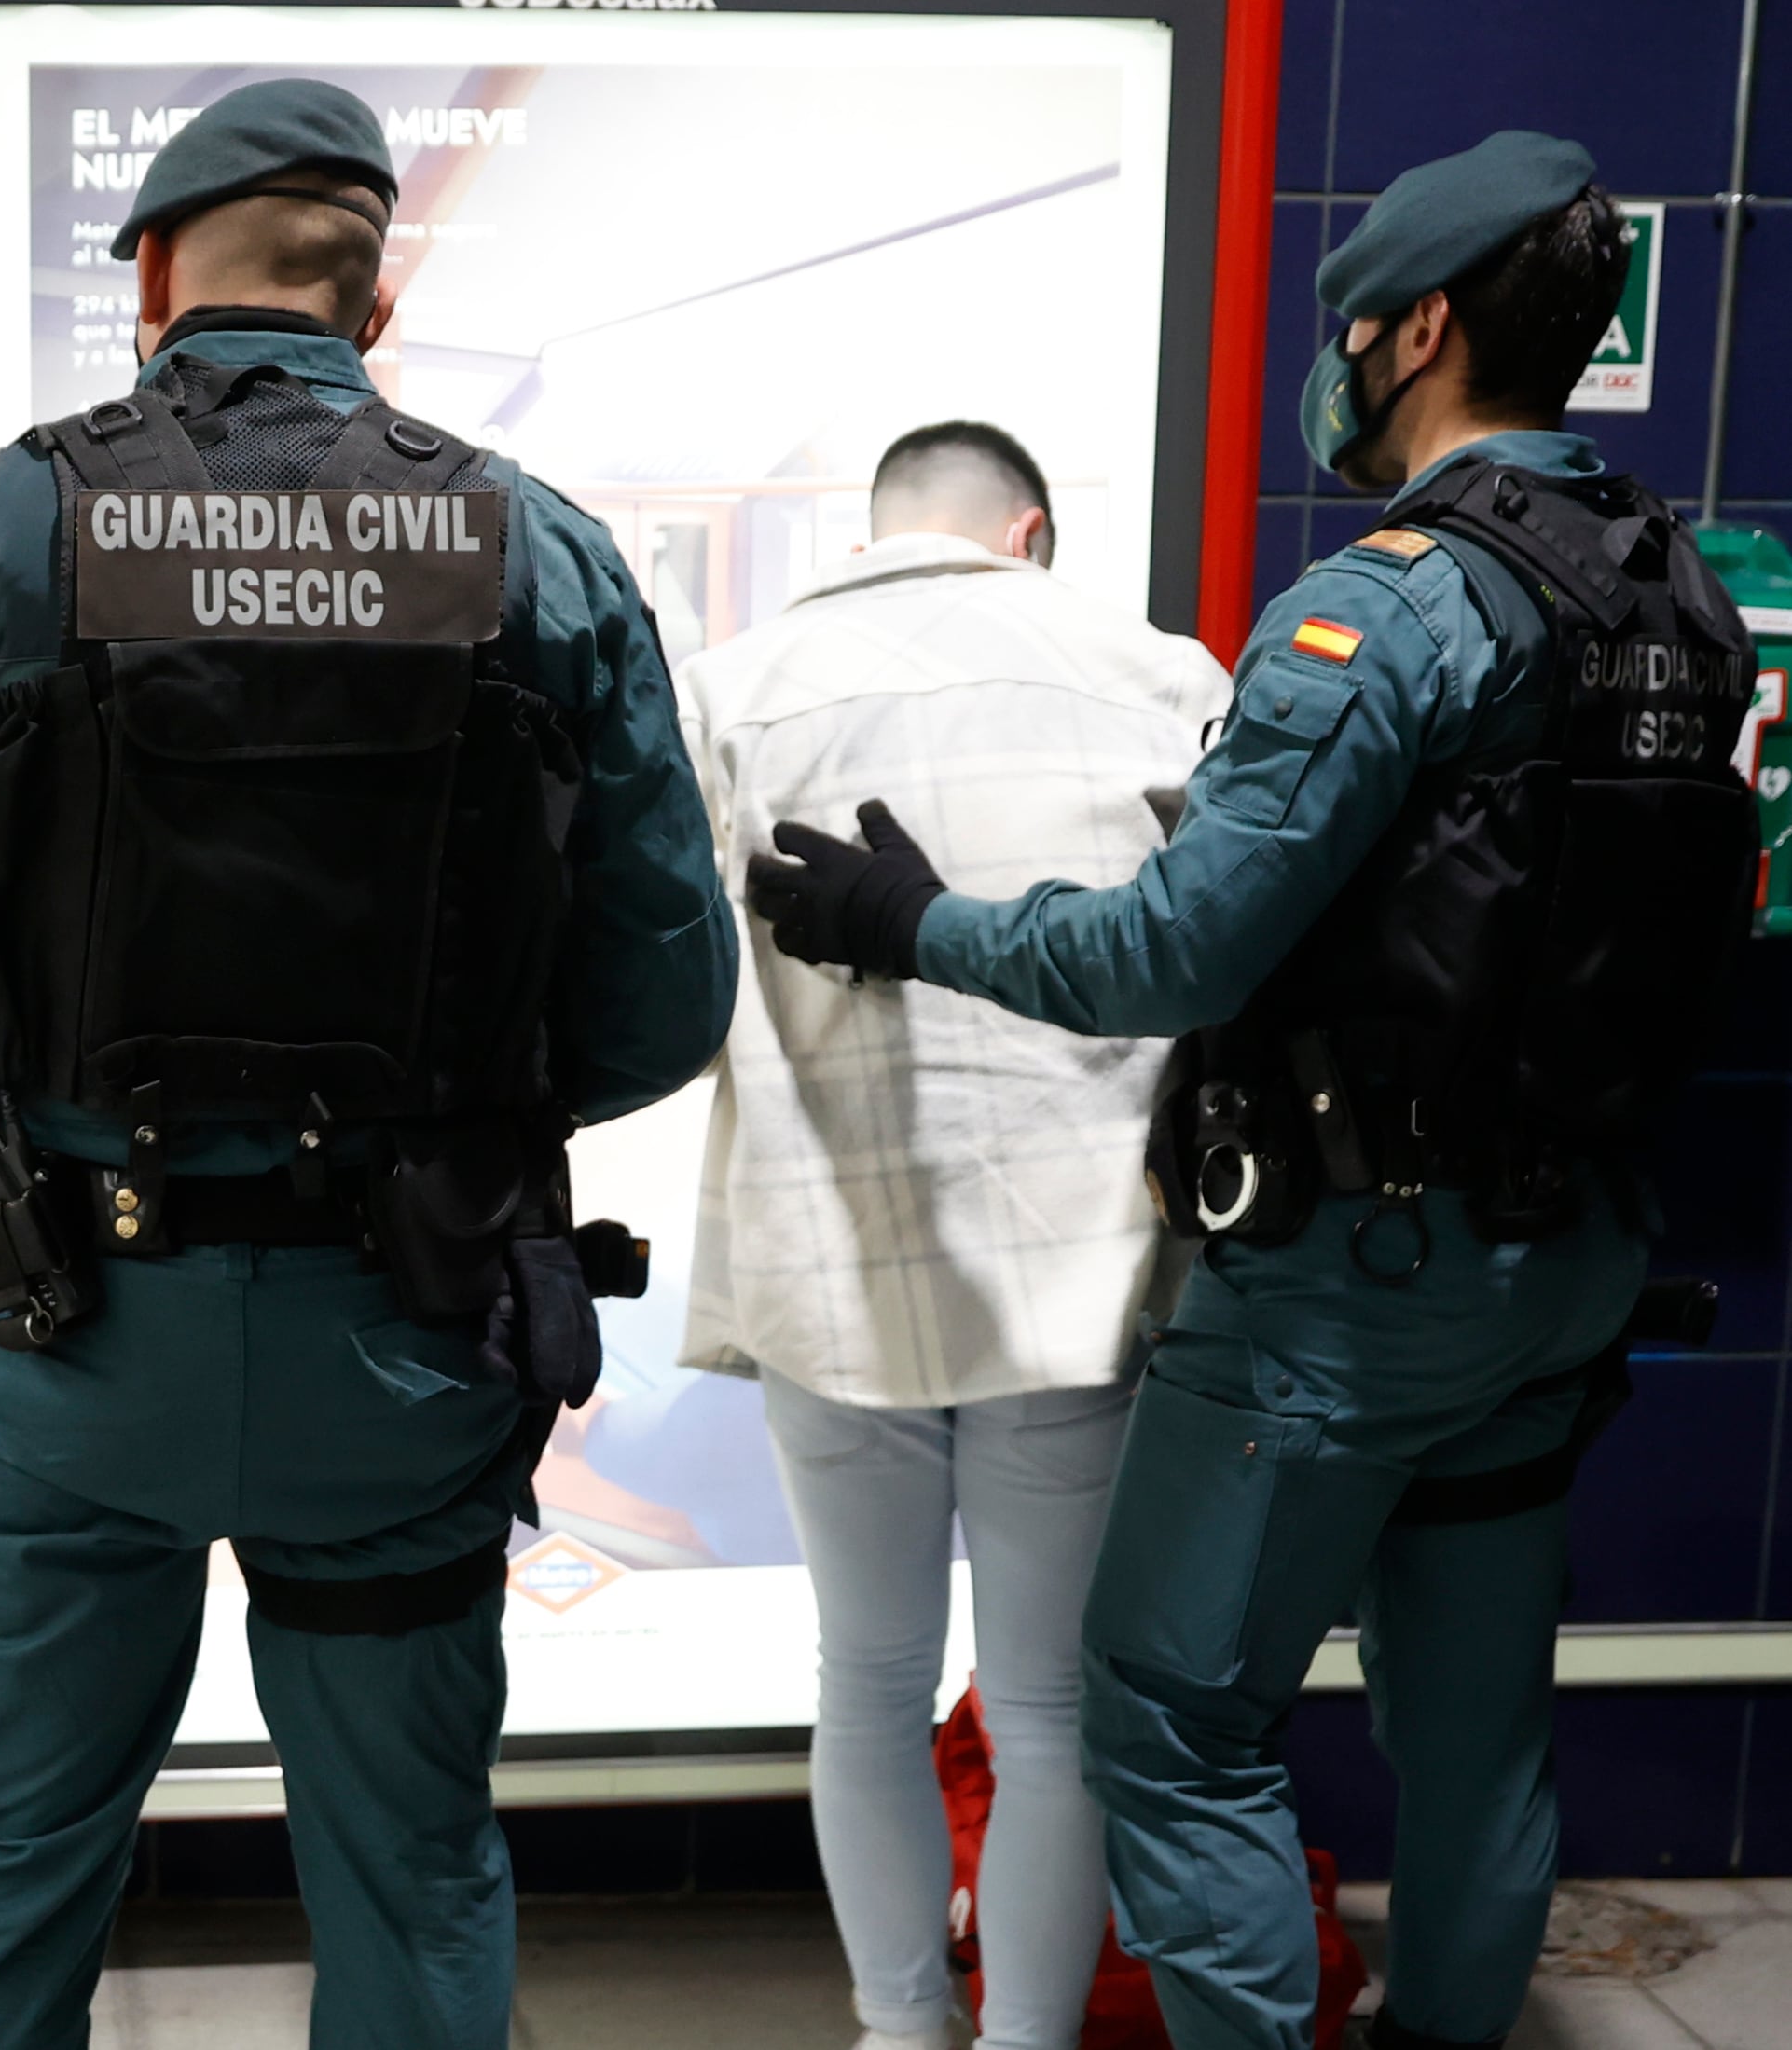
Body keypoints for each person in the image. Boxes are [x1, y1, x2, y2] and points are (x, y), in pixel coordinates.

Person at [0, 79, 733, 2050]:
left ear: (147, 285)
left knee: (5, 1886)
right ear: (371, 307)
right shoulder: (540, 555)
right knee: (412, 1877)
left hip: (60, 1343)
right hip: (405, 1336)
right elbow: (658, 1004)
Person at [740, 133, 1756, 2050]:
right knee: (1473, 1740)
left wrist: (909, 915)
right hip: (1551, 1264)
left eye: (1350, 323)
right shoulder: (1668, 592)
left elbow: (1166, 955)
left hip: (1343, 1288)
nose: (1336, 360)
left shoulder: (1377, 611)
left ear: (1421, 327)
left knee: (1158, 1714)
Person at [674, 420, 1225, 2050]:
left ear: (875, 530)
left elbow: (676, 980)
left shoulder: (729, 691)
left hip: (830, 1254)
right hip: (1081, 1269)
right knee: (1051, 1708)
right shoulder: (1158, 670)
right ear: (1028, 531)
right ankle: (1029, 2042)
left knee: (869, 1682)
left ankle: (901, 2027)